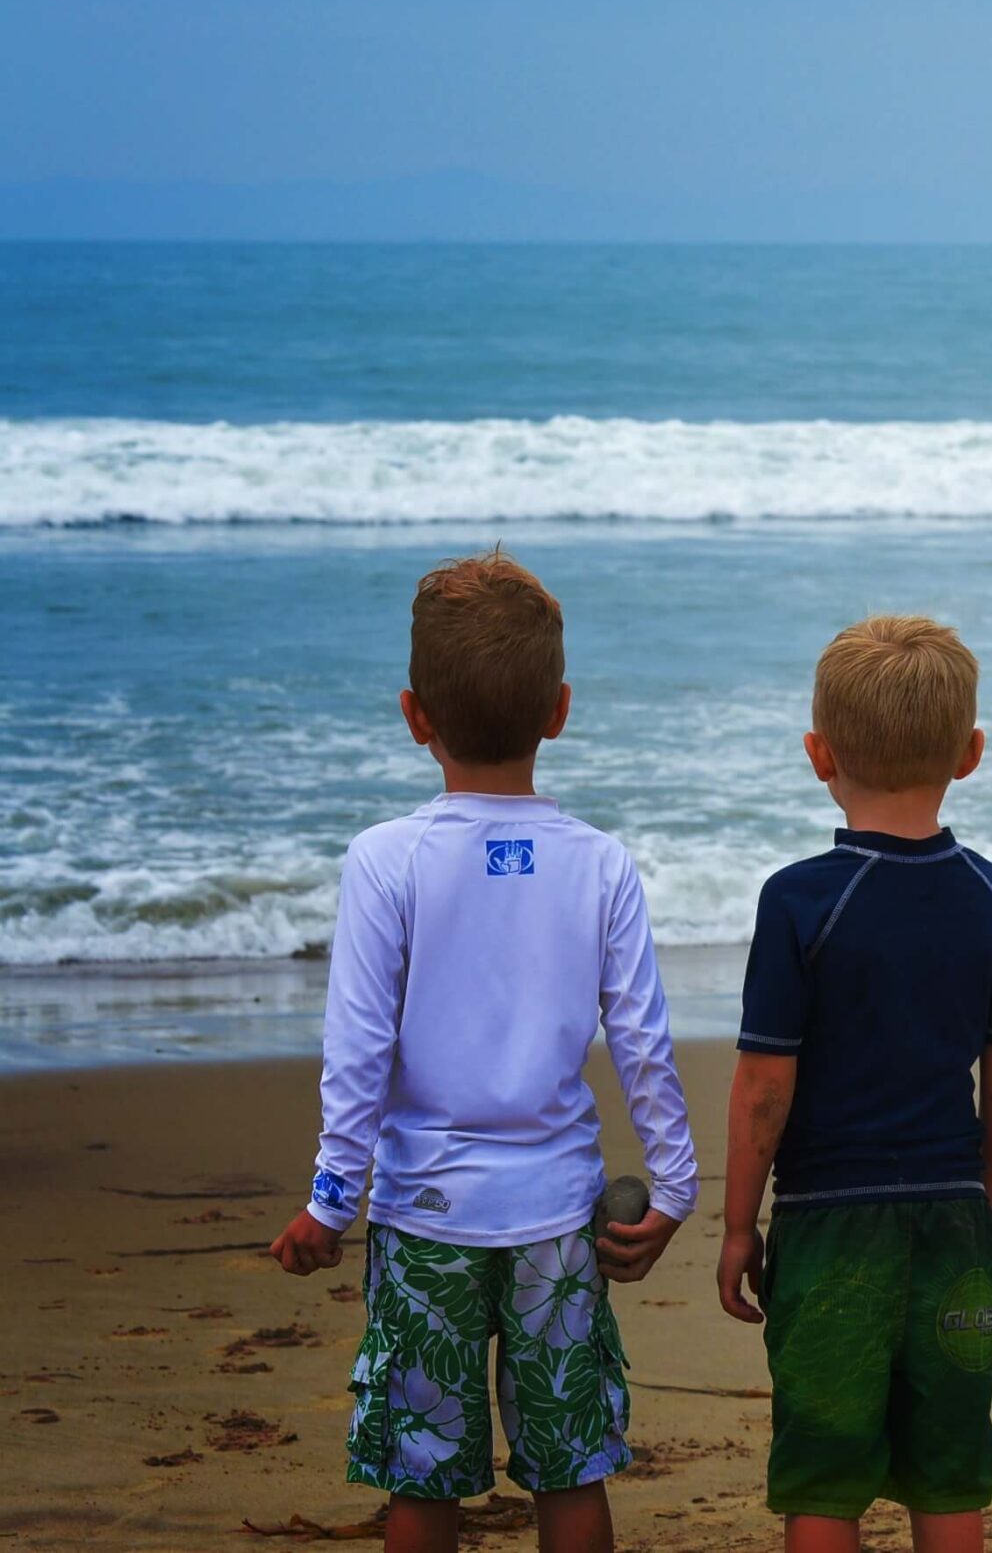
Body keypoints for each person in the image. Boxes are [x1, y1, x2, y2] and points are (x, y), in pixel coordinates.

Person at [267, 550, 699, 1553]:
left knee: (424, 1479)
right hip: (558, 1220)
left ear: (415, 715)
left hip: (425, 1222)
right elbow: (642, 1042)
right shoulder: (599, 862)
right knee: (570, 1471)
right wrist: (672, 1185)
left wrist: (333, 1201)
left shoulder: (387, 861)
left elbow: (359, 1053)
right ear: (560, 711)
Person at [716, 615, 992, 1553]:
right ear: (970, 754)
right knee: (948, 1475)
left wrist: (741, 1224)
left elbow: (763, 1089)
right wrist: (989, 1210)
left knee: (825, 1476)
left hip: (831, 1224)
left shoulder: (801, 901)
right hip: (953, 1219)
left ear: (818, 755)